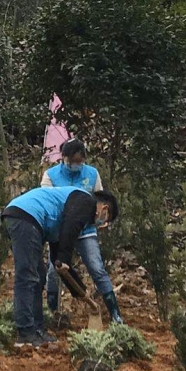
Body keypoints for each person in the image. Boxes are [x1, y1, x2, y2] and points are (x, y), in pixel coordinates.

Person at [2, 186, 119, 347]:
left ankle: (37, 329)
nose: (102, 223)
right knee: (28, 276)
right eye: (106, 219)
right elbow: (70, 228)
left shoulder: (66, 211)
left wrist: (80, 291)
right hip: (25, 216)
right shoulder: (86, 201)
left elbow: (61, 263)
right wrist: (63, 258)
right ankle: (25, 333)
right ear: (104, 208)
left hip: (27, 219)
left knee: (39, 275)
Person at [40, 139, 123, 324]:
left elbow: (101, 201)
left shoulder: (92, 174)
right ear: (64, 158)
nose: (77, 165)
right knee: (55, 270)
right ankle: (52, 311)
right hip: (60, 232)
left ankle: (115, 313)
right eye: (73, 161)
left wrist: (102, 220)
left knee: (96, 267)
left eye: (80, 161)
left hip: (86, 230)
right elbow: (47, 202)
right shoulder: (50, 176)